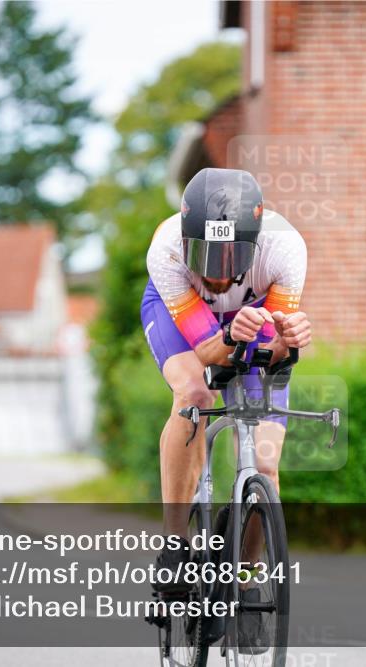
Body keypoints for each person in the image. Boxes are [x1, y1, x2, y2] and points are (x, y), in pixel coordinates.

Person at [140, 168, 311, 592]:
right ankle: (175, 546)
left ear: (255, 240)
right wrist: (232, 335)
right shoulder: (165, 248)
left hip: (251, 318)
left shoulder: (286, 250)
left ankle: (247, 580)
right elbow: (207, 354)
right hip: (181, 314)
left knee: (267, 467)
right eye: (205, 257)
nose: (217, 276)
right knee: (195, 391)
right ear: (185, 238)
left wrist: (288, 343)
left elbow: (269, 356)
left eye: (232, 258)